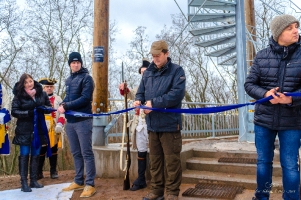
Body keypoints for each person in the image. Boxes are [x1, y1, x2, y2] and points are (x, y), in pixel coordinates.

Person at [244, 14, 301, 200]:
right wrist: (265, 94)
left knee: (291, 164)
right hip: (264, 121)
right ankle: (261, 197)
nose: (296, 31)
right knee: (263, 163)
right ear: (278, 33)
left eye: (296, 27)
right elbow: (250, 84)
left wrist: (290, 100)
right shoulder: (261, 56)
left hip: (292, 120)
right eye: (290, 28)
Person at [134, 40, 186, 200]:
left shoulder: (177, 71)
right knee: (155, 162)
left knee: (172, 162)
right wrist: (138, 100)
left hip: (170, 124)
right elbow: (140, 92)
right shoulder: (148, 73)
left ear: (166, 54)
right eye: (153, 56)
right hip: (153, 124)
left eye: (158, 56)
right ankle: (157, 191)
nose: (155, 59)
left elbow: (177, 94)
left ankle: (172, 193)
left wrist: (154, 103)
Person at [57, 52, 96, 198]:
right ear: (69, 65)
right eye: (73, 62)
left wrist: (66, 106)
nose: (75, 64)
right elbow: (68, 96)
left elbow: (85, 99)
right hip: (71, 122)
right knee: (75, 153)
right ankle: (79, 180)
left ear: (81, 63)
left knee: (87, 153)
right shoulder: (68, 80)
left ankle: (90, 184)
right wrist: (63, 102)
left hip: (83, 121)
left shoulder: (87, 78)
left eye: (78, 62)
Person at [11, 73, 52, 192]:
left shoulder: (42, 93)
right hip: (24, 129)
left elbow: (48, 106)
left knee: (36, 154)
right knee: (24, 155)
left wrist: (44, 109)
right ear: (22, 84)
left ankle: (33, 180)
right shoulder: (19, 96)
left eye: (30, 81)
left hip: (38, 129)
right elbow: (14, 111)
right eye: (26, 82)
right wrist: (28, 113)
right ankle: (24, 182)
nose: (29, 84)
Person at [119, 58, 150, 191]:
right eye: (142, 72)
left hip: (152, 123)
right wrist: (124, 89)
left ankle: (158, 180)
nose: (143, 74)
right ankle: (141, 179)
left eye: (146, 72)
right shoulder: (139, 88)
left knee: (156, 152)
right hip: (139, 123)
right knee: (141, 151)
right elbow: (131, 95)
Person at [37, 78, 65, 179]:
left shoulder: (58, 99)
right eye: (47, 87)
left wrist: (60, 124)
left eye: (50, 86)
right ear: (43, 88)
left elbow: (63, 113)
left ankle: (53, 171)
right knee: (41, 149)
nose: (49, 88)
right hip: (42, 128)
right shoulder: (38, 98)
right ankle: (38, 171)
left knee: (54, 149)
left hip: (54, 128)